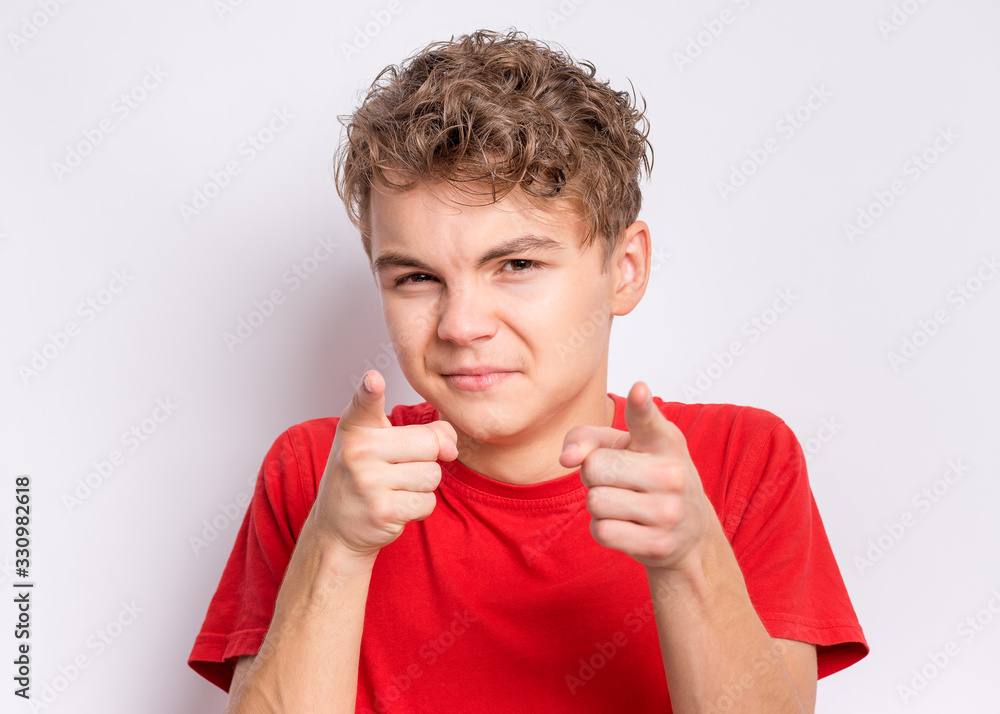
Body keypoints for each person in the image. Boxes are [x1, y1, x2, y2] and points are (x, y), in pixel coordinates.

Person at [187, 28, 868, 713]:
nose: (461, 325)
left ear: (624, 270)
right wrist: (335, 546)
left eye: (516, 265)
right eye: (417, 277)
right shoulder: (316, 474)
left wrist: (690, 559)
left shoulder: (742, 464)